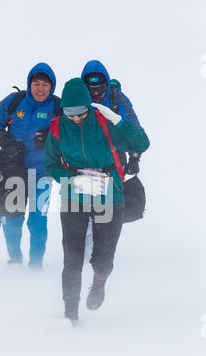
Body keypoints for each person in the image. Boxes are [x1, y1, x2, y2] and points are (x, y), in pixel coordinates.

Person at [44, 78, 150, 323]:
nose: (76, 119)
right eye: (70, 114)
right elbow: (50, 165)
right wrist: (70, 176)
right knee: (72, 258)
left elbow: (142, 143)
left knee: (103, 259)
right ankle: (70, 311)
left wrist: (118, 119)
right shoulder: (57, 128)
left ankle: (100, 281)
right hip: (74, 194)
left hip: (109, 194)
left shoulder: (105, 122)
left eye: (80, 113)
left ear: (88, 108)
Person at [0, 63, 60, 269]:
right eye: (36, 83)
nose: (40, 88)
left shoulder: (57, 107)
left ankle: (36, 265)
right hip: (13, 172)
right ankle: (15, 262)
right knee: (12, 221)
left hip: (42, 174)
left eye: (45, 84)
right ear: (30, 84)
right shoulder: (15, 101)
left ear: (51, 86)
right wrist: (6, 141)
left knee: (38, 223)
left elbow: (69, 130)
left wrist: (51, 137)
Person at [81, 59, 143, 174]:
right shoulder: (78, 99)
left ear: (106, 85)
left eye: (99, 90)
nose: (96, 95)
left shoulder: (117, 99)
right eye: (91, 90)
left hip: (114, 159)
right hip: (84, 161)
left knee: (113, 191)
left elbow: (134, 128)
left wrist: (134, 158)